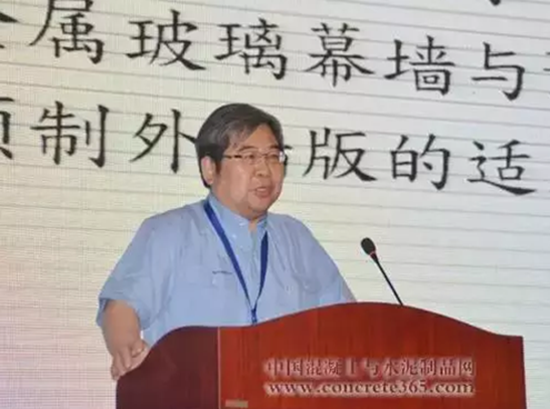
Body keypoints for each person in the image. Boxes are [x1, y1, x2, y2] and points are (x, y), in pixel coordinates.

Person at [96, 103, 355, 381]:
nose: (264, 170)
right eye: (248, 156)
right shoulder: (169, 231)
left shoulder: (297, 238)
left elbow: (348, 321)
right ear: (210, 168)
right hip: (192, 392)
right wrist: (129, 349)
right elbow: (121, 307)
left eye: (273, 156)